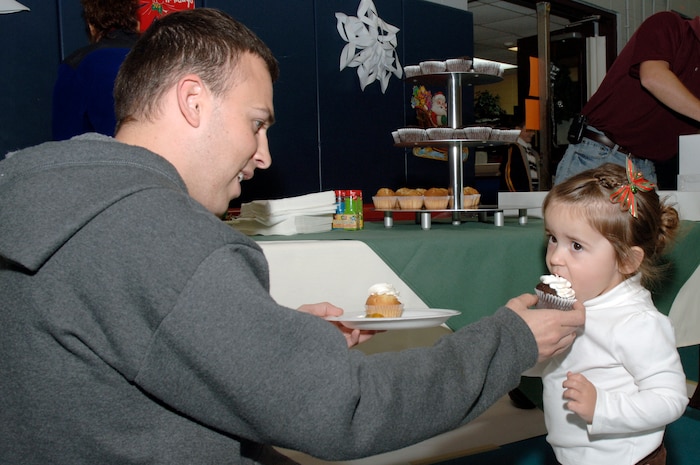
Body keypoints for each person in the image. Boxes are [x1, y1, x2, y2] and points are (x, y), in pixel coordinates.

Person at [0, 8, 585, 464]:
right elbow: (346, 409)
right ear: (193, 101)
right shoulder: (161, 233)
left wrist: (272, 339)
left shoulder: (37, 192)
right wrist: (513, 340)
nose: (263, 156)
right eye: (257, 124)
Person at [526, 162, 688, 465]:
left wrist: (603, 408)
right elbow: (551, 366)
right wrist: (528, 350)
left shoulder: (637, 323)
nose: (555, 258)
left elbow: (671, 399)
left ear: (627, 261)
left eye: (575, 245)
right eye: (553, 238)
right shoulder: (570, 301)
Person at [554, 11, 700, 188]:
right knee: (574, 216)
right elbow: (653, 77)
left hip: (645, 168)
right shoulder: (670, 25)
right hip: (600, 155)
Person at [51, 0, 140, 140]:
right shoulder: (164, 57)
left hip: (105, 158)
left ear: (92, 27)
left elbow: (66, 138)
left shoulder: (77, 64)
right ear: (136, 24)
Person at [500, 122, 541, 192]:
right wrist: (516, 195)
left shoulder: (533, 152)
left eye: (533, 131)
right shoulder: (512, 149)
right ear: (518, 130)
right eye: (529, 130)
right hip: (519, 196)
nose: (532, 134)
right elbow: (509, 176)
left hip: (533, 195)